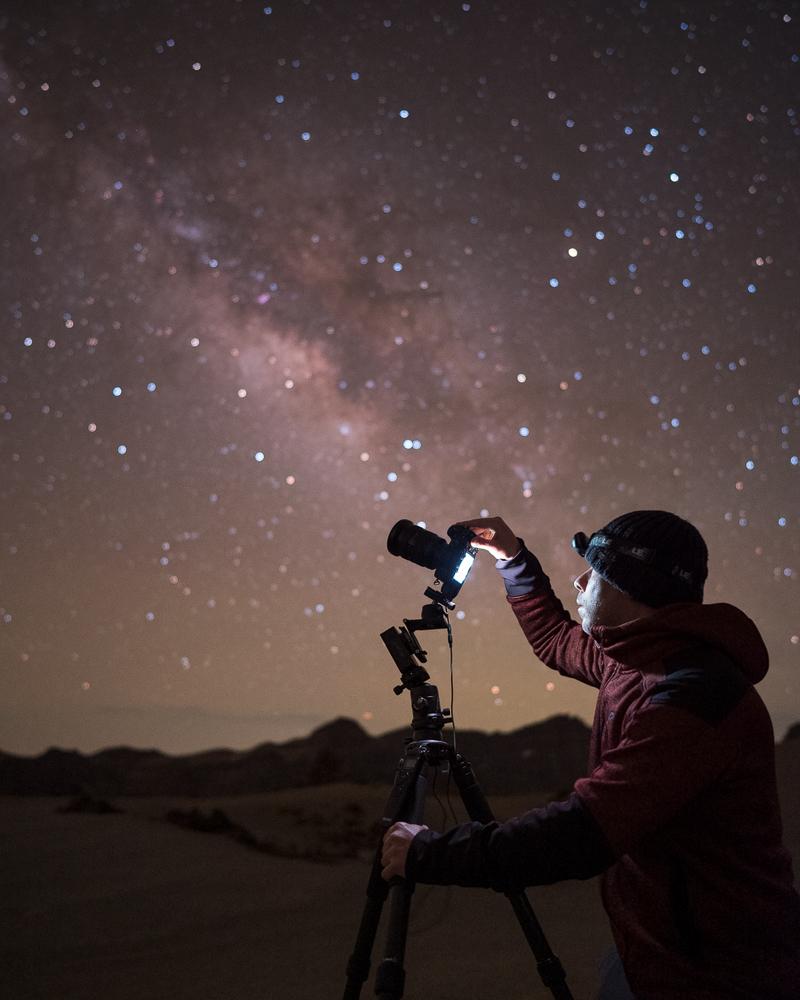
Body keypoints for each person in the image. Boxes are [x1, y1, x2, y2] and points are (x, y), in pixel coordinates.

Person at [381, 511, 800, 999]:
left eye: (595, 572)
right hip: (650, 951)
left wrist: (429, 854)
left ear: (631, 586)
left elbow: (581, 833)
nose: (580, 580)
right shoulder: (637, 656)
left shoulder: (694, 699)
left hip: (717, 973)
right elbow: (557, 640)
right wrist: (514, 560)